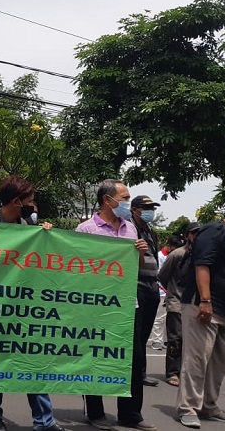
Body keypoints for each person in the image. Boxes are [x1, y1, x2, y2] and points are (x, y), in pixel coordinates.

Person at [0, 176, 64, 431]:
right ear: (16, 201)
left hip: (25, 309)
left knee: (33, 361)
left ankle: (44, 420)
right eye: (30, 200)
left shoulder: (32, 229)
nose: (34, 205)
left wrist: (47, 240)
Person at [76, 180, 156, 431]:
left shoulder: (131, 229)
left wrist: (141, 253)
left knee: (133, 358)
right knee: (96, 356)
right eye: (123, 197)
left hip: (127, 303)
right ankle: (96, 412)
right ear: (107, 200)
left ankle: (130, 414)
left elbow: (138, 268)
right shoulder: (86, 229)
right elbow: (77, 267)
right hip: (97, 304)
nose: (126, 202)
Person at [175, 207, 225, 428]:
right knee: (196, 360)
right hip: (204, 306)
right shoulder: (215, 230)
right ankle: (188, 408)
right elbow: (202, 265)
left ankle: (208, 405)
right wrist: (205, 300)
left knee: (219, 362)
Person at [158, 223, 200, 388]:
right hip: (176, 302)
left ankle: (186, 371)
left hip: (195, 304)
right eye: (193, 233)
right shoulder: (177, 254)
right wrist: (172, 292)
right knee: (175, 338)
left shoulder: (202, 254)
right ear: (186, 235)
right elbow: (162, 276)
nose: (196, 237)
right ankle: (173, 372)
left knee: (192, 341)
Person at [129, 195, 164, 388]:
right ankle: (134, 374)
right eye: (146, 207)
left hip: (152, 286)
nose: (151, 211)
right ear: (135, 209)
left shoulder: (150, 231)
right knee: (136, 333)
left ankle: (141, 374)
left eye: (152, 207)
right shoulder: (128, 229)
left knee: (145, 334)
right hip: (137, 284)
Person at [150, 236, 184, 351]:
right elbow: (159, 275)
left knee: (168, 319)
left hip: (170, 291)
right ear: (168, 246)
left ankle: (165, 340)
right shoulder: (159, 256)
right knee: (159, 318)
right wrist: (165, 288)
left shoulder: (175, 256)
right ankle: (156, 340)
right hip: (161, 291)